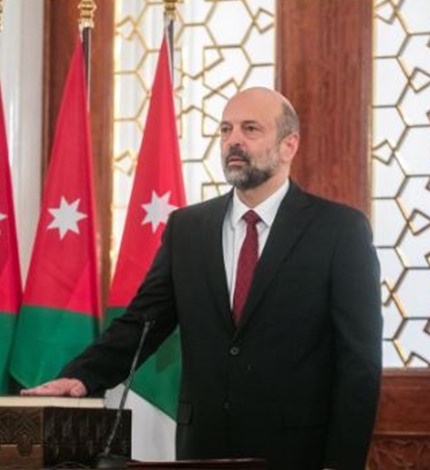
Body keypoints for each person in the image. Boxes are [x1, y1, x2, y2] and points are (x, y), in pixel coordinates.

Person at [23, 87, 383, 470]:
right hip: (203, 448)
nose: (233, 141)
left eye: (250, 129)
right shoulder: (187, 228)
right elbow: (141, 323)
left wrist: (342, 463)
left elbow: (358, 362)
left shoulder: (339, 230)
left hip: (297, 452)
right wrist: (82, 376)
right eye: (226, 130)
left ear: (288, 145)